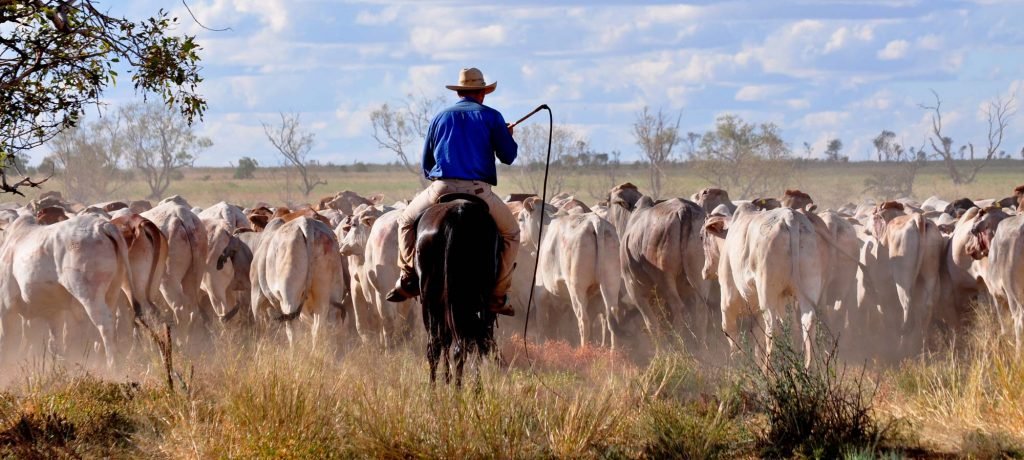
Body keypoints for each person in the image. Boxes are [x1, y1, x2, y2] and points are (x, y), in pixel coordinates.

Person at [385, 67, 520, 316]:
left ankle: (408, 277)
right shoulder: (492, 117)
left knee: (405, 221)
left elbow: (427, 163)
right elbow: (508, 156)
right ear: (482, 93)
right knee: (512, 234)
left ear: (459, 92)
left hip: (441, 187)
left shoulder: (440, 117)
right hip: (479, 191)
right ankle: (498, 294)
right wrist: (507, 135)